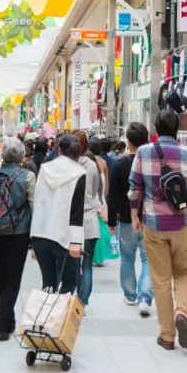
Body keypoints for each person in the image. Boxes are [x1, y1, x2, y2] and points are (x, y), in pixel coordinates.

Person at [129, 110, 187, 351]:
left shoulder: (143, 152)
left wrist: (134, 217)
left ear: (156, 129)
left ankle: (167, 335)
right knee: (184, 273)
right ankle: (181, 313)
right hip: (182, 222)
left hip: (153, 223)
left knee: (160, 280)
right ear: (177, 129)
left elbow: (135, 189)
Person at [0, 137, 36, 341]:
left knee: (0, 276)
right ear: (21, 155)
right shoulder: (27, 177)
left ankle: (7, 324)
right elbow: (34, 204)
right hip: (18, 234)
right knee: (13, 278)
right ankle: (1, 322)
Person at [31, 134, 87, 294]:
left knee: (48, 283)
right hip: (65, 236)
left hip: (40, 232)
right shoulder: (79, 173)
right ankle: (60, 318)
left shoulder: (45, 168)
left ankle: (45, 315)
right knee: (70, 283)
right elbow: (76, 210)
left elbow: (38, 199)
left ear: (59, 149)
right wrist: (76, 241)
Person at [109, 122, 152, 317]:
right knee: (148, 259)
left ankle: (130, 294)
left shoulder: (119, 162)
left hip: (126, 218)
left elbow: (114, 196)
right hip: (150, 218)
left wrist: (111, 221)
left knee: (127, 258)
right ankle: (145, 298)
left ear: (128, 142)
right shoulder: (152, 161)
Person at [75, 130, 107, 306]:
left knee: (71, 262)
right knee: (86, 264)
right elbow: (96, 191)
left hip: (70, 220)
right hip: (89, 218)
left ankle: (72, 297)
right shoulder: (92, 165)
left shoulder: (64, 164)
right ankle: (82, 303)